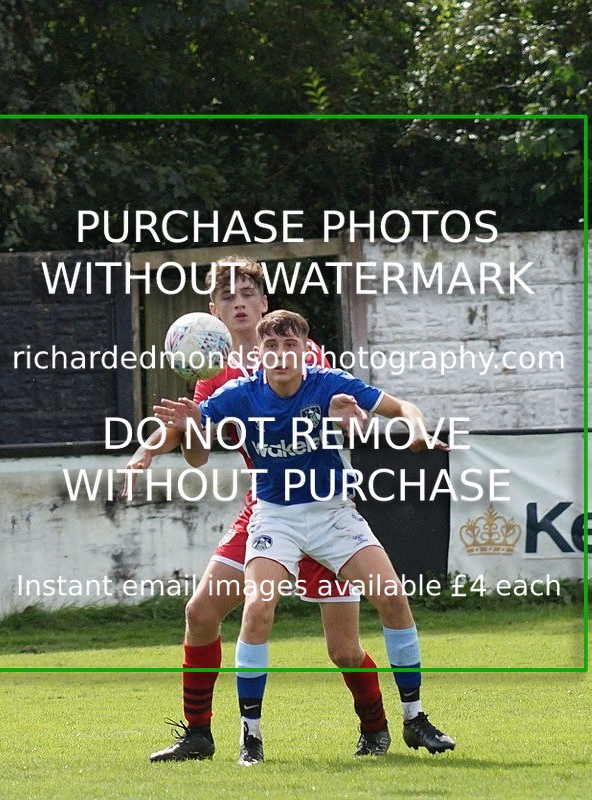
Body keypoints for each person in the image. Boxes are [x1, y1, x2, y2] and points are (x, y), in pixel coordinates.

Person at [156, 309, 455, 766]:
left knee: (391, 599)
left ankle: (414, 719)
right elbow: (195, 452)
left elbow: (401, 407)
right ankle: (250, 739)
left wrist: (415, 428)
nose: (280, 356)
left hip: (332, 514)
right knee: (258, 608)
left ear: (305, 350)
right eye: (271, 348)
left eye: (289, 346)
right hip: (275, 517)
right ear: (258, 354)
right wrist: (192, 425)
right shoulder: (238, 393)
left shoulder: (328, 382)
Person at [126, 258, 391, 762]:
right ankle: (198, 735)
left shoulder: (296, 349)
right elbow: (198, 450)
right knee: (201, 612)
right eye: (227, 297)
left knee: (344, 650)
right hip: (266, 511)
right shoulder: (214, 375)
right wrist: (154, 445)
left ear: (265, 304)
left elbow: (341, 406)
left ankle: (376, 727)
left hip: (322, 506)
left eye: (247, 293)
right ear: (213, 313)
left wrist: (352, 416)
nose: (239, 302)